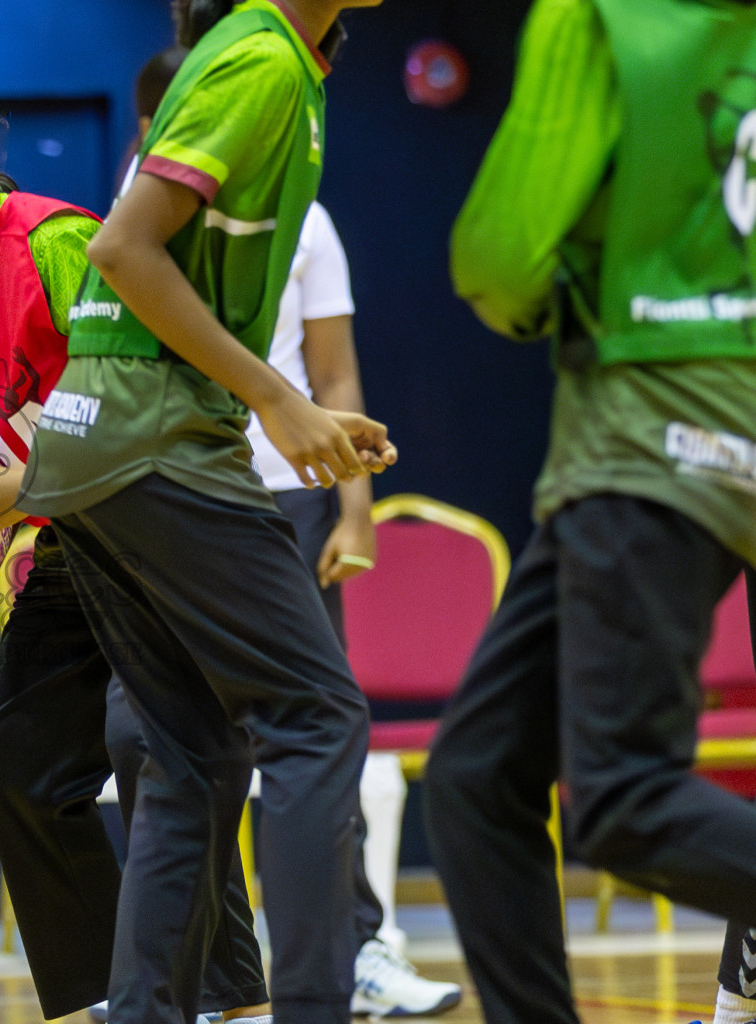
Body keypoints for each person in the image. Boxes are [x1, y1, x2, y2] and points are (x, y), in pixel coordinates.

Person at [0, 55, 269, 1024]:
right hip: (73, 536)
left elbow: (138, 395)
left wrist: (21, 490)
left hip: (163, 518)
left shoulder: (57, 241)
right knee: (19, 767)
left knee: (154, 743)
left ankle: (225, 998)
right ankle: (106, 998)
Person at [15, 0, 395, 1021]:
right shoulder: (259, 56)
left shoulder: (277, 60)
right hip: (158, 438)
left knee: (190, 753)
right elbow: (122, 249)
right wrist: (276, 398)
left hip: (97, 442)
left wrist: (294, 406)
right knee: (319, 719)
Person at [422, 1, 756, 1023]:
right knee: (477, 775)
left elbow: (500, 260)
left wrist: (553, 297)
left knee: (622, 797)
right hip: (721, 431)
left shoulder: (597, 15)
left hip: (651, 433)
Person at [114, 45, 462, 1019]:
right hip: (173, 497)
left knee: (312, 733)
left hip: (290, 492)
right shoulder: (126, 229)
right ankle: (193, 975)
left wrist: (354, 507)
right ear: (154, 128)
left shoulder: (304, 217)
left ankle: (356, 949)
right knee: (154, 736)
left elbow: (333, 372)